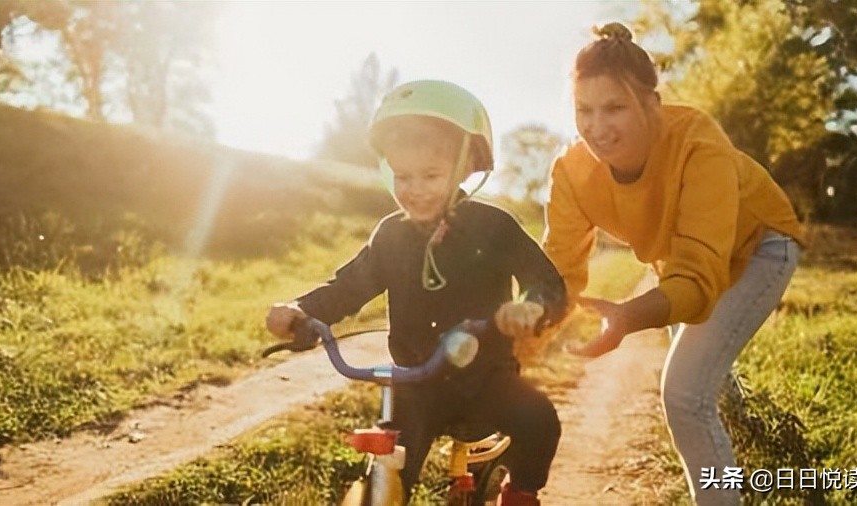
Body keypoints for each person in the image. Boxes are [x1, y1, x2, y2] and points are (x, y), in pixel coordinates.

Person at [266, 80, 567, 506]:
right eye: (403, 176)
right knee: (388, 473)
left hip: (487, 378)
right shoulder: (392, 235)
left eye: (430, 175)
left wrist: (532, 307)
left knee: (539, 418)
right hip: (415, 386)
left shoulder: (495, 228)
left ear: (464, 169)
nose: (415, 189)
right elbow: (350, 286)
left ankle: (518, 494)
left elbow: (548, 282)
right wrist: (301, 311)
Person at [542, 23, 806, 506]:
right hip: (680, 261)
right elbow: (557, 271)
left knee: (685, 395)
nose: (597, 127)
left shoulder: (698, 144)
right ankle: (760, 454)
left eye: (615, 107)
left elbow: (700, 274)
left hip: (760, 244)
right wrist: (516, 334)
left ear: (651, 105)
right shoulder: (572, 173)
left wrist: (628, 317)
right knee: (708, 386)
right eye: (584, 110)